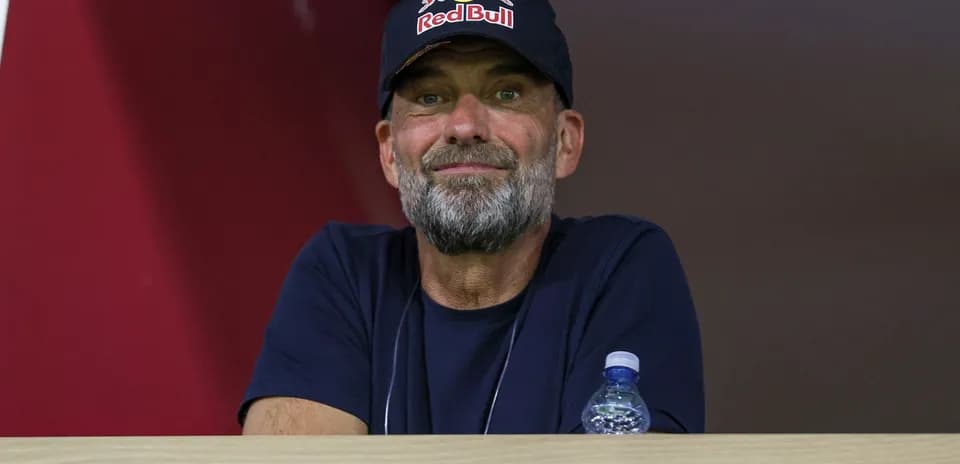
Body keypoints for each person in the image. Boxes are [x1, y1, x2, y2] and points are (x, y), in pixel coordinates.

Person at [240, 0, 704, 434]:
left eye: (505, 93)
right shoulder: (345, 273)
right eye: (430, 97)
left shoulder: (618, 266)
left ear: (565, 142)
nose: (464, 127)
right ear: (388, 153)